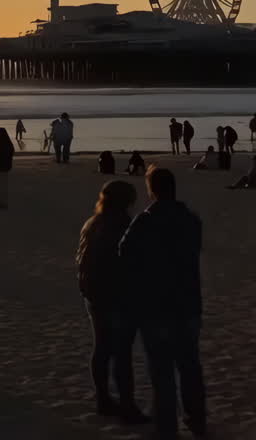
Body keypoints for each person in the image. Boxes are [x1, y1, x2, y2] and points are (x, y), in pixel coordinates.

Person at [119, 167, 206, 438]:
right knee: (189, 364)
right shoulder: (190, 219)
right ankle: (196, 418)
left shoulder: (146, 221)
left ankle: (168, 426)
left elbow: (125, 251)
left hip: (156, 306)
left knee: (163, 371)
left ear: (152, 189)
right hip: (187, 303)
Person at [76, 180, 149, 423]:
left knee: (102, 348)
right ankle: (126, 404)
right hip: (115, 296)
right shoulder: (122, 226)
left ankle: (103, 399)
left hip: (93, 293)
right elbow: (131, 263)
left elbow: (82, 260)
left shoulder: (91, 224)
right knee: (121, 352)